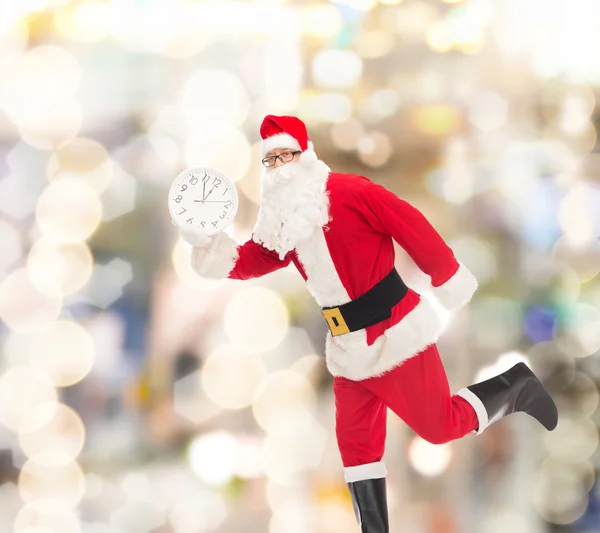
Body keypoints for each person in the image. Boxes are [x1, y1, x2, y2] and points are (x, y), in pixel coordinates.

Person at [183, 115, 558, 533]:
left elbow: (409, 224)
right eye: (269, 160)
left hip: (395, 331)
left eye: (284, 155)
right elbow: (256, 257)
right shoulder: (283, 223)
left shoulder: (350, 192)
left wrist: (446, 275)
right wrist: (212, 250)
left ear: (305, 156)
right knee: (356, 449)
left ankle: (517, 387)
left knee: (438, 427)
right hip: (347, 347)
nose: (278, 166)